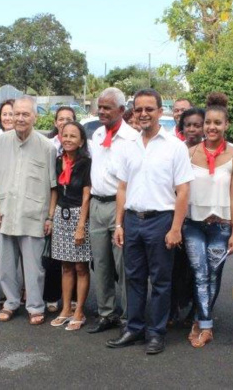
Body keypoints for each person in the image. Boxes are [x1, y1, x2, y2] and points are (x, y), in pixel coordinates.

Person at [107, 88, 194, 355]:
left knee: (160, 281)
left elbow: (183, 191)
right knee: (133, 278)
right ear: (133, 112)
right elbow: (122, 188)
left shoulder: (175, 147)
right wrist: (119, 224)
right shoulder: (127, 146)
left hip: (161, 221)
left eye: (149, 109)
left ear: (160, 112)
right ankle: (134, 329)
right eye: (139, 109)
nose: (143, 114)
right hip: (132, 221)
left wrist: (176, 228)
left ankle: (156, 333)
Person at [0, 96, 57, 325]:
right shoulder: (1, 142)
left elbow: (54, 186)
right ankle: (10, 303)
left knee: (34, 268)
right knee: (5, 265)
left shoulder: (47, 146)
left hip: (33, 214)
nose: (20, 118)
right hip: (6, 212)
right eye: (16, 113)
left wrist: (49, 217)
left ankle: (35, 307)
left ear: (35, 117)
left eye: (26, 114)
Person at [182, 93, 233, 348]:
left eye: (218, 123)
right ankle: (205, 325)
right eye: (208, 122)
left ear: (226, 125)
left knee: (213, 276)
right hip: (193, 223)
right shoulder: (188, 152)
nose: (211, 127)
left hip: (221, 225)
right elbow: (181, 192)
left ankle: (200, 318)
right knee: (199, 273)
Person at [87, 87, 138, 334]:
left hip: (120, 208)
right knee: (101, 264)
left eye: (107, 107)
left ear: (121, 110)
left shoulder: (132, 139)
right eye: (100, 106)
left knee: (123, 266)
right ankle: (106, 313)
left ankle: (129, 318)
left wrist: (120, 219)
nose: (102, 111)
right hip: (97, 205)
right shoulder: (97, 134)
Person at [47, 121, 93, 331]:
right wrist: (50, 217)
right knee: (65, 266)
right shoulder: (58, 161)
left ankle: (79, 311)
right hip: (60, 215)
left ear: (81, 140)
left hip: (78, 216)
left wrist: (81, 225)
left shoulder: (86, 163)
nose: (68, 139)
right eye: (65, 135)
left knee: (81, 266)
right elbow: (55, 191)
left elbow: (86, 196)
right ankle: (65, 309)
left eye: (73, 136)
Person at [168, 106, 205, 327]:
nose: (192, 129)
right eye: (188, 125)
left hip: (200, 218)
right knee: (173, 267)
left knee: (196, 268)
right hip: (175, 217)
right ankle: (172, 308)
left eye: (197, 125)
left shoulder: (209, 153)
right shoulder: (176, 150)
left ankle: (197, 311)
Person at [44, 105, 78, 312]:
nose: (64, 122)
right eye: (61, 119)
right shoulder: (48, 146)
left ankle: (73, 299)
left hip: (74, 207)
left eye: (69, 118)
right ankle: (52, 296)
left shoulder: (83, 148)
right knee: (53, 255)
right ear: (56, 122)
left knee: (75, 257)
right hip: (52, 203)